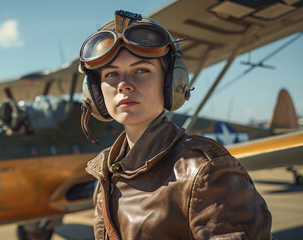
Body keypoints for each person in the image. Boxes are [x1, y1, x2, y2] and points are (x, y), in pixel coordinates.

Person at [79, 10, 272, 239]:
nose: (124, 85)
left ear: (171, 83)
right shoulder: (105, 173)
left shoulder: (204, 170)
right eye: (111, 74)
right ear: (94, 92)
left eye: (142, 70)